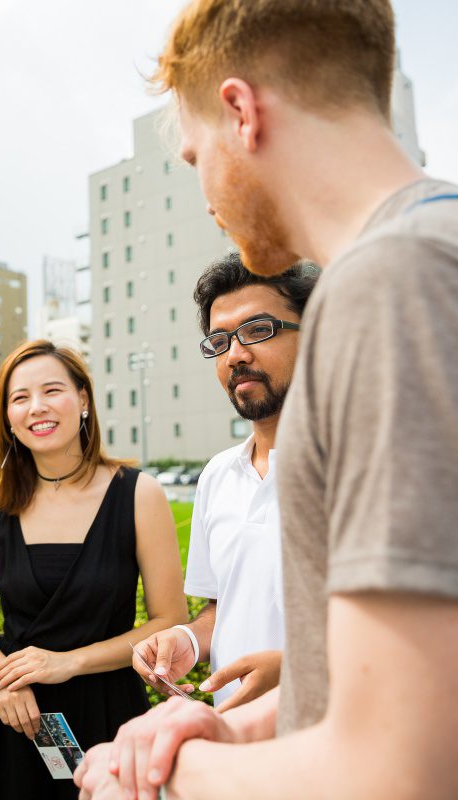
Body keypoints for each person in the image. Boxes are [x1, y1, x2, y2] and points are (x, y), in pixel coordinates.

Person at [76, 1, 458, 798]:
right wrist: (238, 727)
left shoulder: (403, 285)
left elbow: (412, 775)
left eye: (194, 159)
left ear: (239, 113)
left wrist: (161, 775)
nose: (204, 192)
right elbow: (440, 679)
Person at [0, 339, 189, 799]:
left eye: (52, 391)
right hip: (11, 716)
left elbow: (170, 621)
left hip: (106, 715)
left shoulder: (139, 494)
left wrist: (68, 663)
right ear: (7, 418)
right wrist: (1, 676)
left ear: (83, 400)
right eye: (19, 398)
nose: (36, 407)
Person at [131, 252, 317, 711]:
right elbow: (224, 608)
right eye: (219, 340)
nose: (235, 354)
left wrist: (297, 670)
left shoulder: (360, 466)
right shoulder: (217, 476)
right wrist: (186, 640)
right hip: (233, 743)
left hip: (332, 753)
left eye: (258, 330)